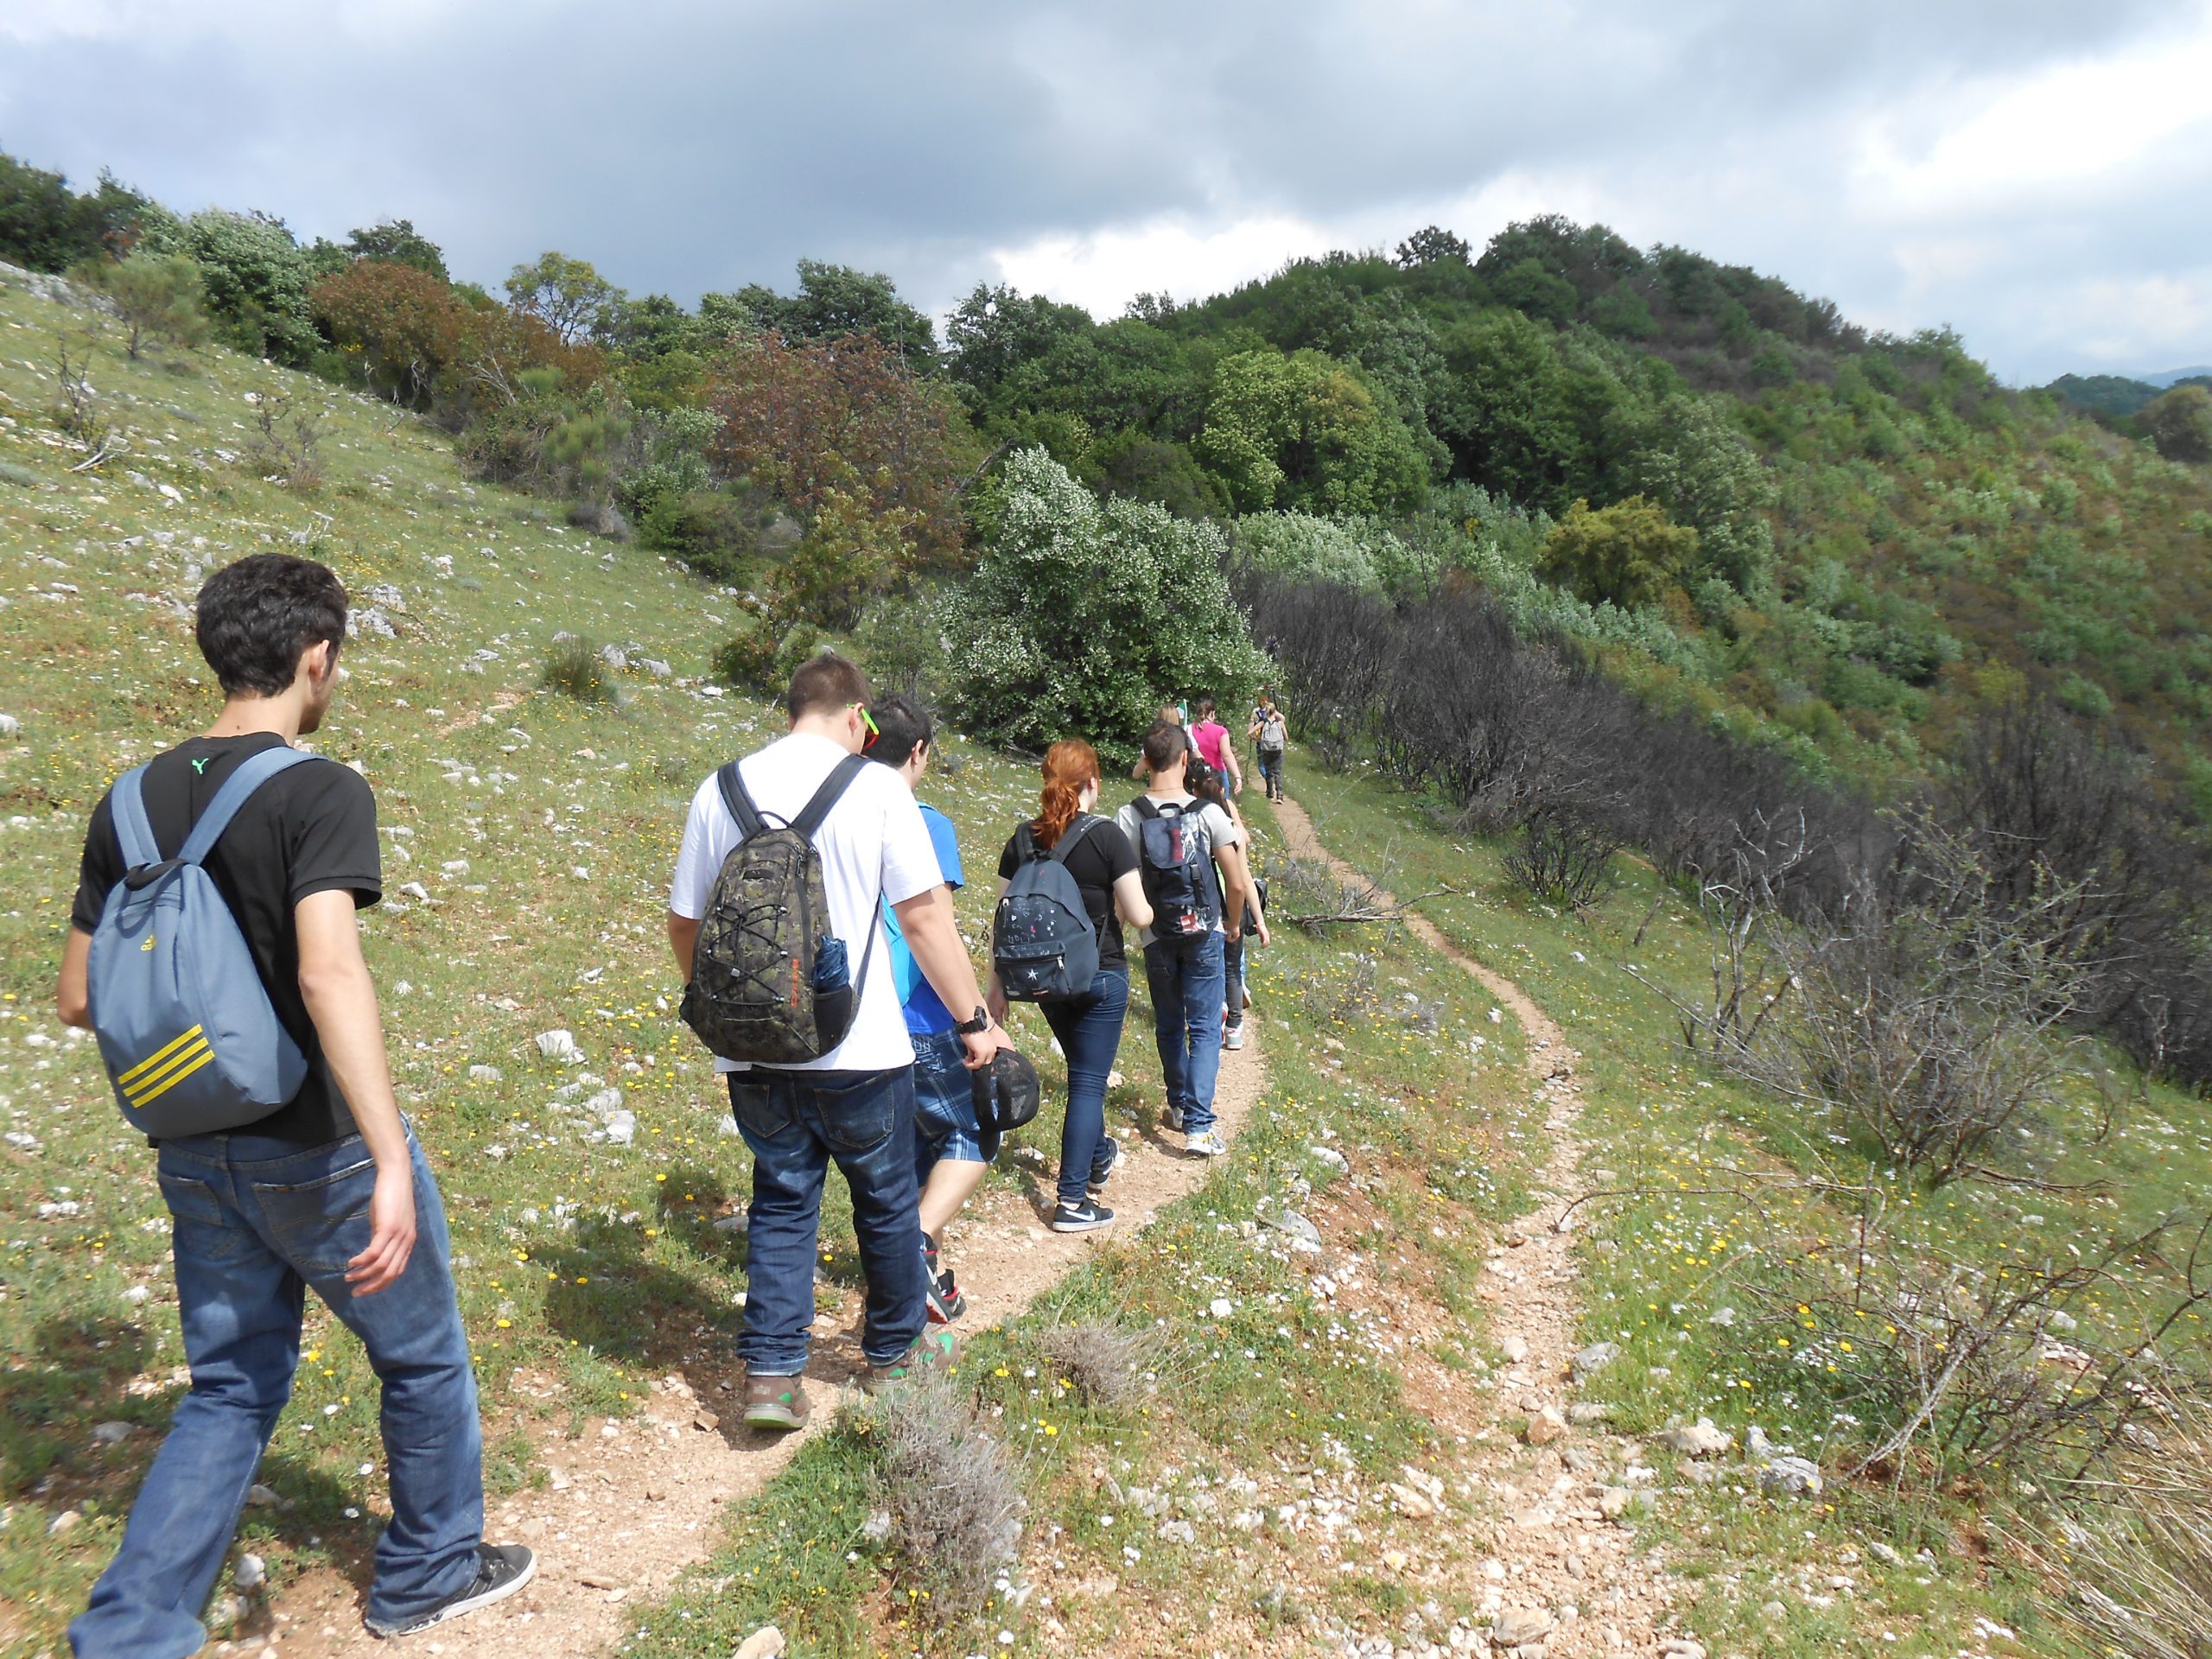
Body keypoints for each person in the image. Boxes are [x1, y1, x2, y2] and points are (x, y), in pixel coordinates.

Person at [55, 555, 531, 1653]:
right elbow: (328, 974)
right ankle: (427, 1570)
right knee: (419, 1355)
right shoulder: (320, 789)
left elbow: (80, 997)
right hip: (318, 1148)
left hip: (191, 1141)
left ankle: (128, 1633)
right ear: (318, 658)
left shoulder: (125, 801)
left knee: (228, 1388)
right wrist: (392, 1161)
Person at [669, 654, 1009, 1432]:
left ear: (793, 710)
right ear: (859, 718)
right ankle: (893, 1359)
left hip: (755, 1051)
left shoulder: (720, 790)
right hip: (860, 1049)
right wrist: (974, 1024)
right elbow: (925, 922)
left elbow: (686, 924)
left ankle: (772, 1380)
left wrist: (732, 1012)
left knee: (783, 1201)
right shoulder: (879, 789)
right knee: (886, 1201)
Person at [986, 740, 1152, 1231]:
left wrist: (995, 990)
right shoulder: (1107, 838)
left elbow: (1003, 921)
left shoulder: (1021, 839)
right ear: (1092, 784)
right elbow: (1140, 915)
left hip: (1044, 983)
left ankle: (1098, 1155)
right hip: (1100, 974)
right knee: (1087, 1084)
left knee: (1083, 1071)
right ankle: (1073, 1201)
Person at [863, 694, 984, 1322]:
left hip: (853, 1018)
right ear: (917, 752)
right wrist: (977, 1020)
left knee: (907, 1150)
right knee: (974, 1129)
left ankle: (914, 1278)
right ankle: (916, 1250)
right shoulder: (925, 820)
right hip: (919, 1014)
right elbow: (936, 925)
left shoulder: (835, 809)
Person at [1118, 724, 1255, 1156]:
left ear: (1146, 761)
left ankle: (1178, 1106)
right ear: (1183, 761)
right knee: (1205, 1027)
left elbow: (1124, 885)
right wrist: (1232, 925)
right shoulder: (1209, 813)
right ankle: (1199, 1125)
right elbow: (1235, 883)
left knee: (1169, 1024)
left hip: (1155, 935)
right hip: (1204, 933)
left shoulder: (1130, 815)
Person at [1187, 756, 1270, 1052]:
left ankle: (1209, 1015)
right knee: (1233, 966)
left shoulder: (1190, 825)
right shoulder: (1232, 828)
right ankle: (1234, 1027)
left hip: (1202, 909)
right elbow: (1244, 880)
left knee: (1202, 964)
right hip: (1232, 909)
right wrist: (1258, 922)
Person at [1187, 697, 1243, 798]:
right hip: (1218, 773)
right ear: (1212, 713)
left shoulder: (1189, 729)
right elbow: (1227, 755)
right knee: (1221, 806)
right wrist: (1237, 776)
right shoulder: (1221, 731)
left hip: (1197, 774)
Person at [1249, 692, 1288, 803]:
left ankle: (1270, 792)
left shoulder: (1263, 722)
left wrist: (1258, 739)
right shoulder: (1280, 723)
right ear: (1274, 711)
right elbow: (1286, 737)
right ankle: (1280, 795)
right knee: (1278, 771)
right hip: (1278, 750)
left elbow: (1250, 732)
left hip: (1266, 749)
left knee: (1269, 771)